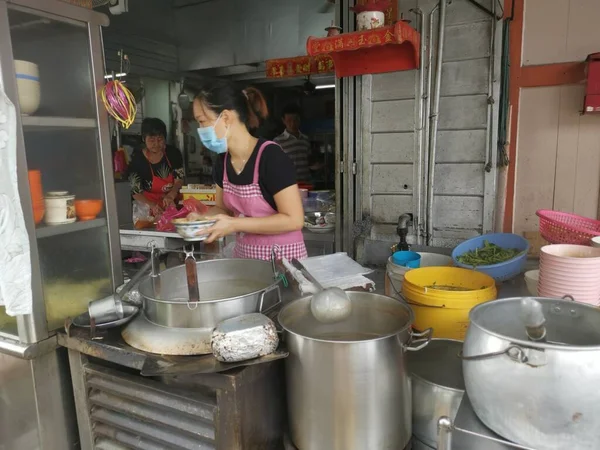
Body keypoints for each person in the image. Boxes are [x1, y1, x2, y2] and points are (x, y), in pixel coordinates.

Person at [193, 80, 307, 260]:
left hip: (284, 263)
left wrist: (235, 224)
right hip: (246, 261)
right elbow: (222, 209)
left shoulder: (271, 157)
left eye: (202, 121)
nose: (200, 130)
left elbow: (294, 219)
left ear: (225, 118)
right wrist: (202, 218)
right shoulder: (222, 161)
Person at [128, 118, 184, 217]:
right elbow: (135, 192)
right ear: (143, 138)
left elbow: (179, 179)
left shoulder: (173, 154)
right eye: (151, 139)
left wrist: (171, 195)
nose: (156, 144)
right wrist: (152, 205)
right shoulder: (137, 160)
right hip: (146, 208)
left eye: (160, 139)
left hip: (172, 204)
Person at [274, 104, 311, 183]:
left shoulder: (305, 139)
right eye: (289, 121)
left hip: (305, 183)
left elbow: (309, 161)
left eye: (296, 120)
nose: (293, 124)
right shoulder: (277, 141)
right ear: (283, 121)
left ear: (300, 119)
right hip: (287, 185)